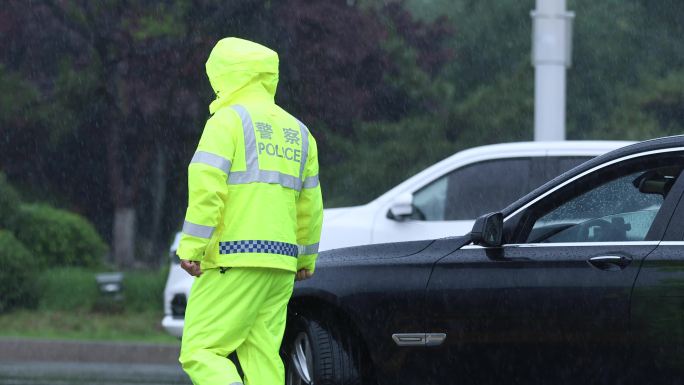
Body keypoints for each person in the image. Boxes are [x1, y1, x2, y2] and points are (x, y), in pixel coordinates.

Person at [176, 37, 323, 385]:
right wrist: (305, 259)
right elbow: (310, 204)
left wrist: (192, 248)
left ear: (226, 76)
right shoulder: (300, 132)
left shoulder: (227, 122)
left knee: (201, 350)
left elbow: (206, 190)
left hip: (234, 259)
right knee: (262, 357)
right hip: (281, 265)